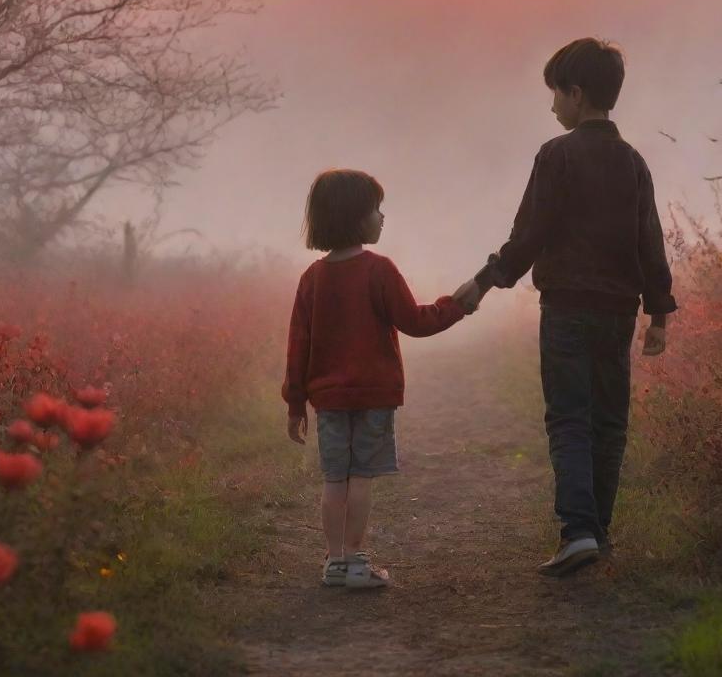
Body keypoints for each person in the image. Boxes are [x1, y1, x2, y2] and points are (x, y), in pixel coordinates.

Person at [454, 37, 677, 578]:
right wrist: (659, 313)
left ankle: (578, 531)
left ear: (576, 94)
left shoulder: (557, 155)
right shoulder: (634, 162)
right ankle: (597, 530)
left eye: (555, 94)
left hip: (567, 309)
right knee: (609, 422)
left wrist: (485, 281)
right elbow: (651, 241)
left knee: (569, 420)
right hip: (619, 312)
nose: (552, 105)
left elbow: (530, 234)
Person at [283, 168, 473, 589]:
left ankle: (334, 562)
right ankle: (356, 561)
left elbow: (299, 346)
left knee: (334, 479)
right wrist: (458, 304)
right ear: (356, 217)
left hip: (328, 400)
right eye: (376, 209)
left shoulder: (312, 279)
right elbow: (417, 321)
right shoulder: (379, 270)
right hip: (373, 396)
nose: (382, 217)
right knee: (361, 477)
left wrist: (296, 404)